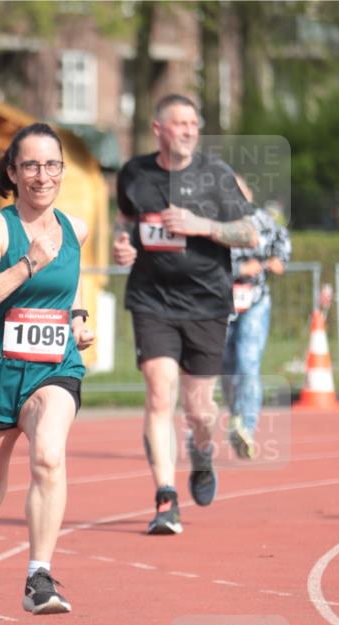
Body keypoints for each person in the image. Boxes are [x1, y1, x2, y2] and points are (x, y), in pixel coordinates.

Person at [0, 122, 94, 625]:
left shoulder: (75, 228)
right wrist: (26, 265)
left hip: (52, 368)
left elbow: (71, 280)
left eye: (52, 164)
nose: (43, 175)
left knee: (49, 457)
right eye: (31, 165)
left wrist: (77, 319)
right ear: (13, 173)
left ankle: (38, 574)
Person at [113, 94, 257, 535]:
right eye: (180, 123)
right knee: (159, 393)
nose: (190, 130)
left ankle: (202, 452)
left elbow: (250, 232)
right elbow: (125, 221)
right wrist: (123, 245)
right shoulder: (135, 174)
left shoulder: (215, 175)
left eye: (194, 123)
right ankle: (165, 497)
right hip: (152, 301)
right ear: (159, 129)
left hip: (207, 304)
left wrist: (204, 226)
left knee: (200, 411)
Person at [222, 180, 292, 458]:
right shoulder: (214, 224)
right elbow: (200, 262)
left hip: (256, 302)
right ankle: (236, 414)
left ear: (250, 194)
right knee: (226, 366)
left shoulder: (264, 221)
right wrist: (239, 268)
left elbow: (282, 245)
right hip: (223, 302)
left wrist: (278, 262)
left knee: (248, 361)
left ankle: (247, 427)